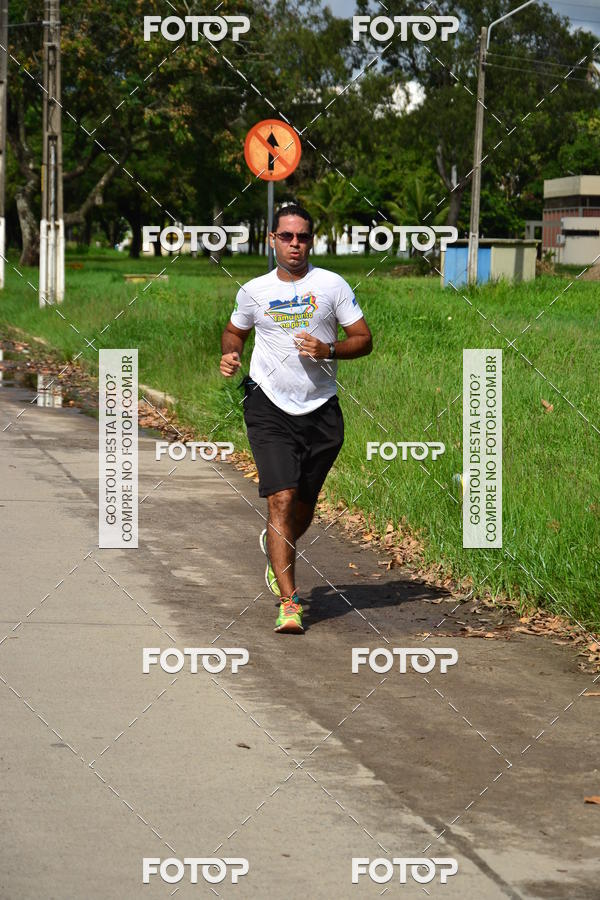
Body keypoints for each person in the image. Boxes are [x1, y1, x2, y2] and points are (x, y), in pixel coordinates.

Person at [219, 204, 372, 633]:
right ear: (272, 239)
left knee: (303, 507)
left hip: (321, 409)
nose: (294, 244)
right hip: (267, 403)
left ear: (311, 240)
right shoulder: (254, 290)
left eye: (302, 237)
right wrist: (230, 353)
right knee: (281, 499)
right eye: (286, 236)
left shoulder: (332, 285)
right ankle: (290, 602)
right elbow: (236, 330)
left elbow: (363, 340)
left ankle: (275, 547)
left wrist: (330, 350)